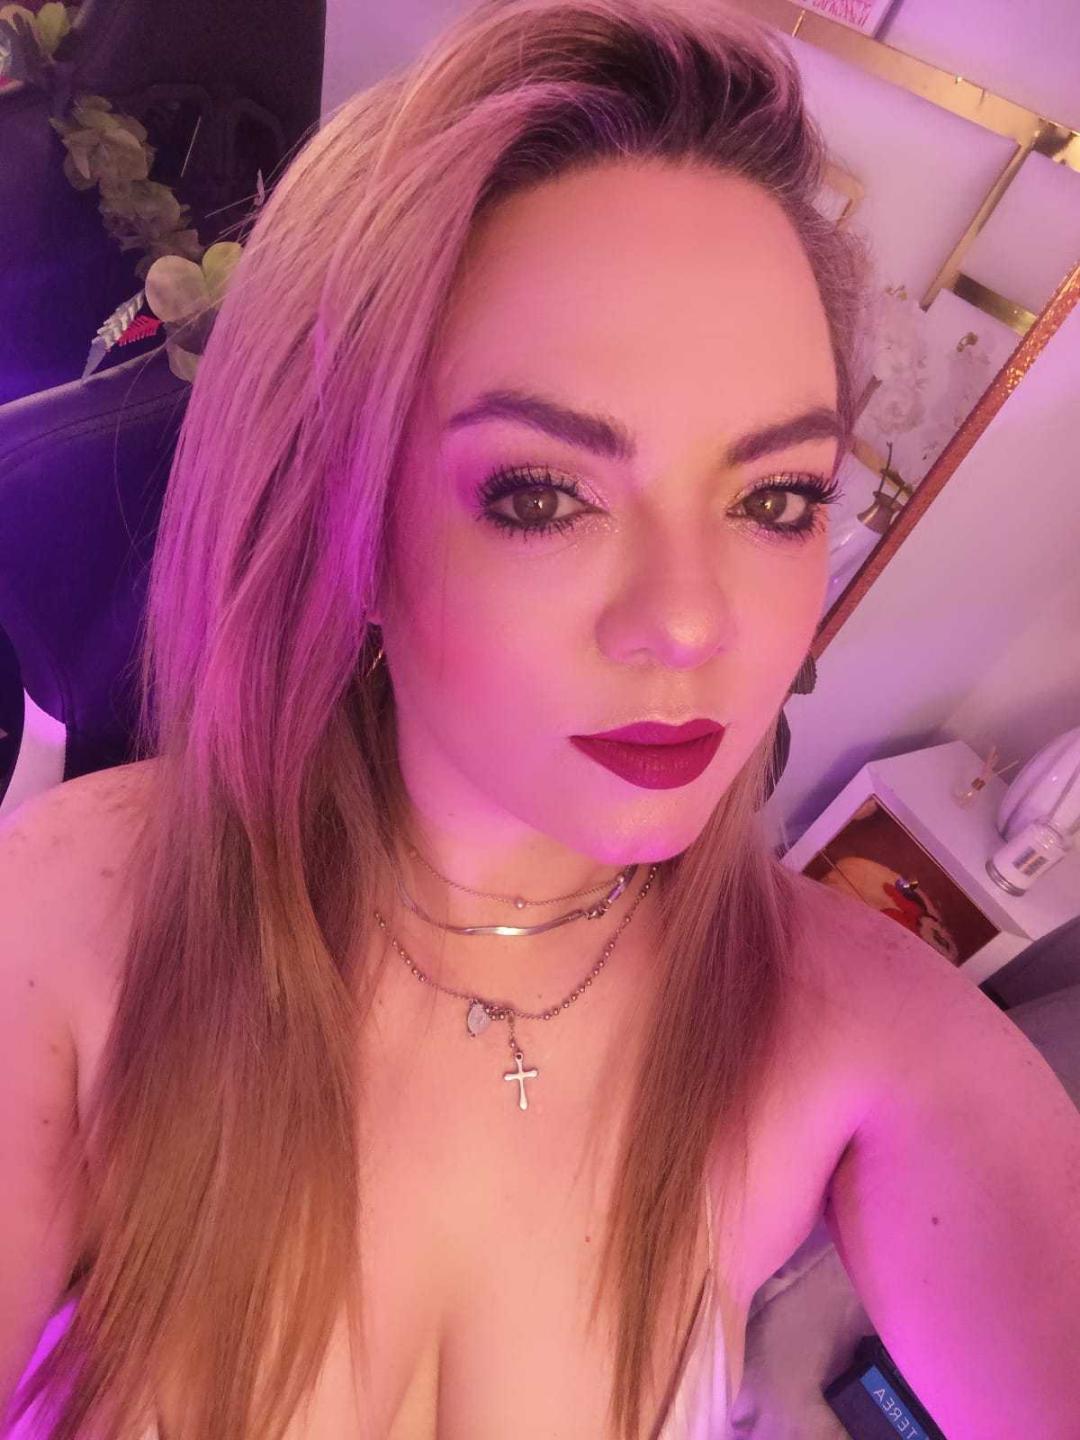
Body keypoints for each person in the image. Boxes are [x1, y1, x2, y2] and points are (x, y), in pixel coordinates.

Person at [3, 2, 1079, 1438]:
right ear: (342, 507)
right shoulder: (77, 928)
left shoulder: (867, 1041)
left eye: (775, 498)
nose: (689, 623)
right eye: (542, 495)